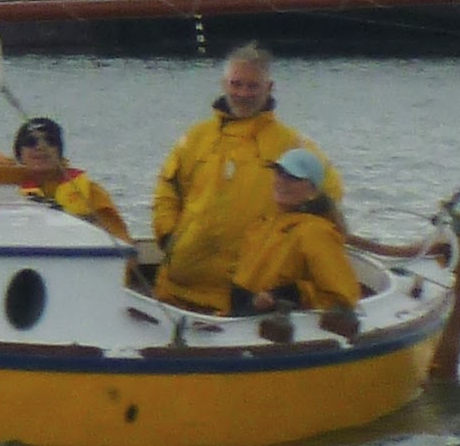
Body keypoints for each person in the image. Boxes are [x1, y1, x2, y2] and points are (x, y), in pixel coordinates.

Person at [151, 44, 339, 313]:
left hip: (246, 301)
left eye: (253, 86)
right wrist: (169, 237)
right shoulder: (195, 138)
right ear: (224, 84)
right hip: (176, 290)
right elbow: (167, 190)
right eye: (236, 84)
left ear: (269, 87)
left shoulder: (293, 146)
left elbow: (328, 205)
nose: (243, 94)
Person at [229, 152, 363, 329]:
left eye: (293, 177)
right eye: (279, 172)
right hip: (240, 318)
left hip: (273, 324)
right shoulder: (264, 223)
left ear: (313, 191)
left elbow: (342, 297)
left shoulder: (315, 232)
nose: (282, 181)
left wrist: (284, 296)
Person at [12, 116, 132, 242]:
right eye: (31, 142)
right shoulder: (3, 189)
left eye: (50, 141)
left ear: (60, 151)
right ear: (19, 153)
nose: (40, 147)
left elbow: (120, 241)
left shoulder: (91, 191)